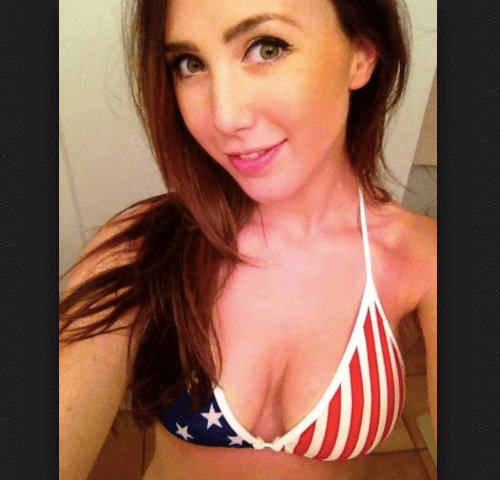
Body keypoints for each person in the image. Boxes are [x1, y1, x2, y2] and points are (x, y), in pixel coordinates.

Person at [59, 0, 436, 479]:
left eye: (266, 48)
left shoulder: (420, 256)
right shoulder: (140, 248)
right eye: (190, 64)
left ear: (360, 57)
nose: (224, 116)